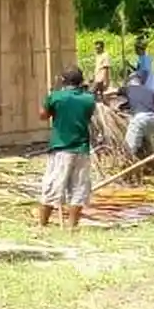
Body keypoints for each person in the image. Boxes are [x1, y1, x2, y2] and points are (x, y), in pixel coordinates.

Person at [37, 66, 96, 230]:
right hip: (81, 149)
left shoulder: (56, 97)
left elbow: (43, 115)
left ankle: (42, 224)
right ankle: (72, 225)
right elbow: (87, 115)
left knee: (52, 186)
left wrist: (47, 100)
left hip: (61, 148)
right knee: (78, 188)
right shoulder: (88, 99)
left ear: (63, 81)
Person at [123, 69, 154, 167]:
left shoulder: (129, 88)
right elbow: (152, 104)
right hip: (153, 118)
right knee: (150, 143)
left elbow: (113, 92)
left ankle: (129, 170)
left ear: (130, 80)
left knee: (129, 147)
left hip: (140, 119)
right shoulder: (151, 91)